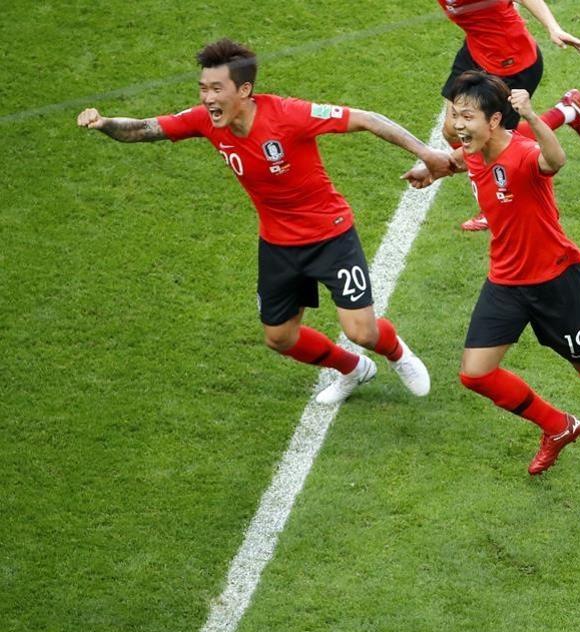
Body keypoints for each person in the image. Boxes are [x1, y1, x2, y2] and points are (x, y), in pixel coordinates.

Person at [77, 38, 452, 404]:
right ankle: (353, 370)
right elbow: (144, 129)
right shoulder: (206, 121)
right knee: (279, 337)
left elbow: (367, 119)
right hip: (278, 244)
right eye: (203, 88)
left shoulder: (288, 115)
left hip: (330, 236)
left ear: (244, 89)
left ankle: (397, 353)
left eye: (216, 89)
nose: (207, 98)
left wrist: (427, 153)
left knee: (362, 331)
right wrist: (104, 122)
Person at [404, 71, 580, 475]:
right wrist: (431, 171)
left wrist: (532, 114)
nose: (458, 125)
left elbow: (556, 160)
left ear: (494, 121)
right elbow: (457, 160)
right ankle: (558, 426)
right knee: (475, 374)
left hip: (554, 279)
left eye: (468, 117)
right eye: (456, 115)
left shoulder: (523, 152)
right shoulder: (472, 151)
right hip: (506, 282)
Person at [437, 0, 580, 231]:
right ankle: (568, 111)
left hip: (511, 64)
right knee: (452, 129)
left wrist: (554, 27)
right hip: (475, 52)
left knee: (493, 141)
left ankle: (490, 205)